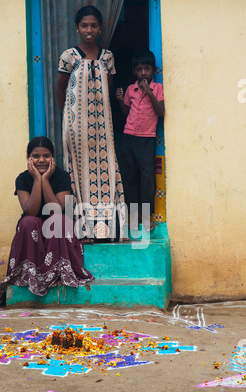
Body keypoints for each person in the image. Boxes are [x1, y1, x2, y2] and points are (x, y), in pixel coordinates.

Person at [0, 136, 94, 306]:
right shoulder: (23, 179)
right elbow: (30, 211)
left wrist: (45, 180)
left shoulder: (62, 176)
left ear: (53, 158)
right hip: (34, 227)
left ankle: (57, 273)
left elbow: (56, 209)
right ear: (29, 159)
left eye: (46, 156)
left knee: (57, 220)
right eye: (36, 156)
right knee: (28, 222)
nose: (41, 160)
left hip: (57, 226)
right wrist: (36, 180)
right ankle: (30, 274)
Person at [55, 5, 126, 243]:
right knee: (81, 174)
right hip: (77, 127)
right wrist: (68, 118)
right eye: (84, 25)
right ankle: (84, 231)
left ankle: (107, 231)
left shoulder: (108, 57)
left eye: (93, 25)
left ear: (100, 28)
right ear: (77, 28)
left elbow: (107, 89)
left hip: (103, 126)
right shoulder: (69, 56)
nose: (89, 30)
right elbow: (60, 89)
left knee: (105, 171)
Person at [116, 50, 164, 228]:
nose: (143, 73)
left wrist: (149, 93)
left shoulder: (157, 89)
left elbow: (161, 112)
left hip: (146, 139)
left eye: (147, 69)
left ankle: (146, 217)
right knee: (130, 177)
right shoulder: (130, 89)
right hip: (128, 137)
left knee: (147, 178)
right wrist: (121, 100)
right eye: (139, 69)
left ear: (153, 70)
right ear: (134, 72)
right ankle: (134, 217)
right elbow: (126, 114)